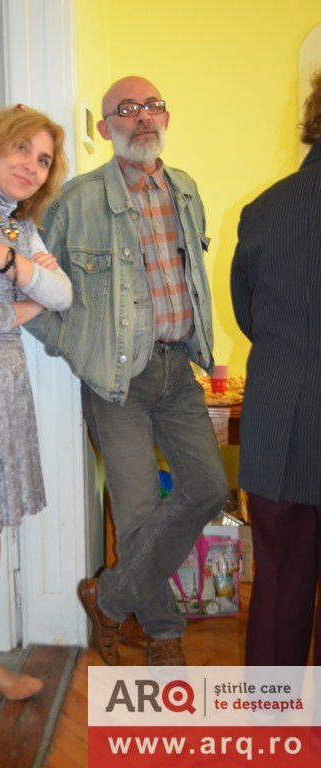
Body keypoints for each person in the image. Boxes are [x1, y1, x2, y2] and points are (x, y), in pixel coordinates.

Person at [25, 76, 228, 666]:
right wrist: (76, 347)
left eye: (153, 106)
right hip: (116, 382)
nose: (143, 117)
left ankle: (109, 599)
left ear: (167, 117)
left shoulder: (185, 190)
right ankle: (163, 633)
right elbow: (35, 291)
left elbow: (191, 280)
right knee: (137, 511)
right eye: (128, 108)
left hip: (177, 369)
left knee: (209, 487)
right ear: (105, 126)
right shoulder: (75, 202)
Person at [0, 105, 72, 698]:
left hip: (4, 390)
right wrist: (28, 296)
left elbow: (64, 293)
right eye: (22, 148)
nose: (32, 165)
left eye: (44, 159)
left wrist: (4, 259)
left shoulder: (16, 228)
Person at [231, 70, 321, 666]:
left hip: (280, 425)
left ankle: (271, 710)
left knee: (280, 580)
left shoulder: (264, 209)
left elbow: (249, 315)